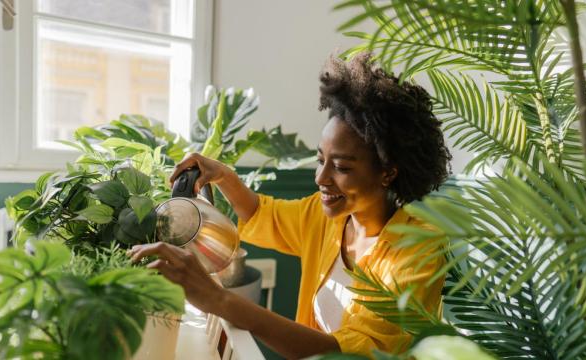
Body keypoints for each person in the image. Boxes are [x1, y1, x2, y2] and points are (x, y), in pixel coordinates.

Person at [128, 53, 452, 359]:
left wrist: (219, 300)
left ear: (388, 172)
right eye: (320, 160)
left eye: (341, 167)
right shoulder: (328, 218)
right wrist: (224, 175)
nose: (321, 178)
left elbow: (346, 355)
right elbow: (261, 213)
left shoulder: (418, 250)